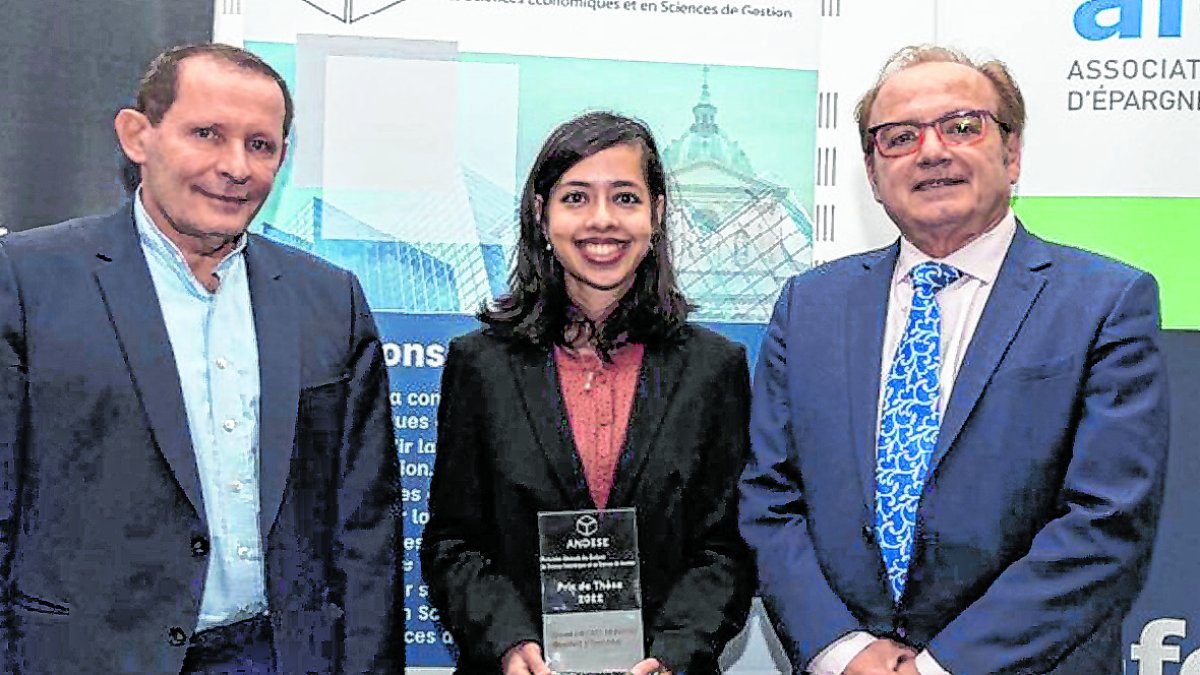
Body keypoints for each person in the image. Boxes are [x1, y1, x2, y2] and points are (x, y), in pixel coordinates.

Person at [739, 45, 1169, 674]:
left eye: (962, 126)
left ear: (1012, 152)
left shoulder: (1106, 302)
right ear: (871, 170)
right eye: (899, 137)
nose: (932, 150)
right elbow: (769, 499)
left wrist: (942, 667)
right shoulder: (811, 305)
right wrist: (842, 650)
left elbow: (1106, 522)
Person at [0, 43, 402, 673]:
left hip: (279, 657)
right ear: (138, 136)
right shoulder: (26, 280)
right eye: (207, 134)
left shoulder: (329, 300)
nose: (235, 166)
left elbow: (365, 531)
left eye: (261, 145)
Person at [421, 111, 755, 675]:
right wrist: (507, 643)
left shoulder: (714, 368)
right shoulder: (480, 365)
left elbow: (726, 549)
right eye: (576, 198)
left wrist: (673, 654)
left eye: (625, 198)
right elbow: (454, 543)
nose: (602, 221)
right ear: (540, 214)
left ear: (657, 214)